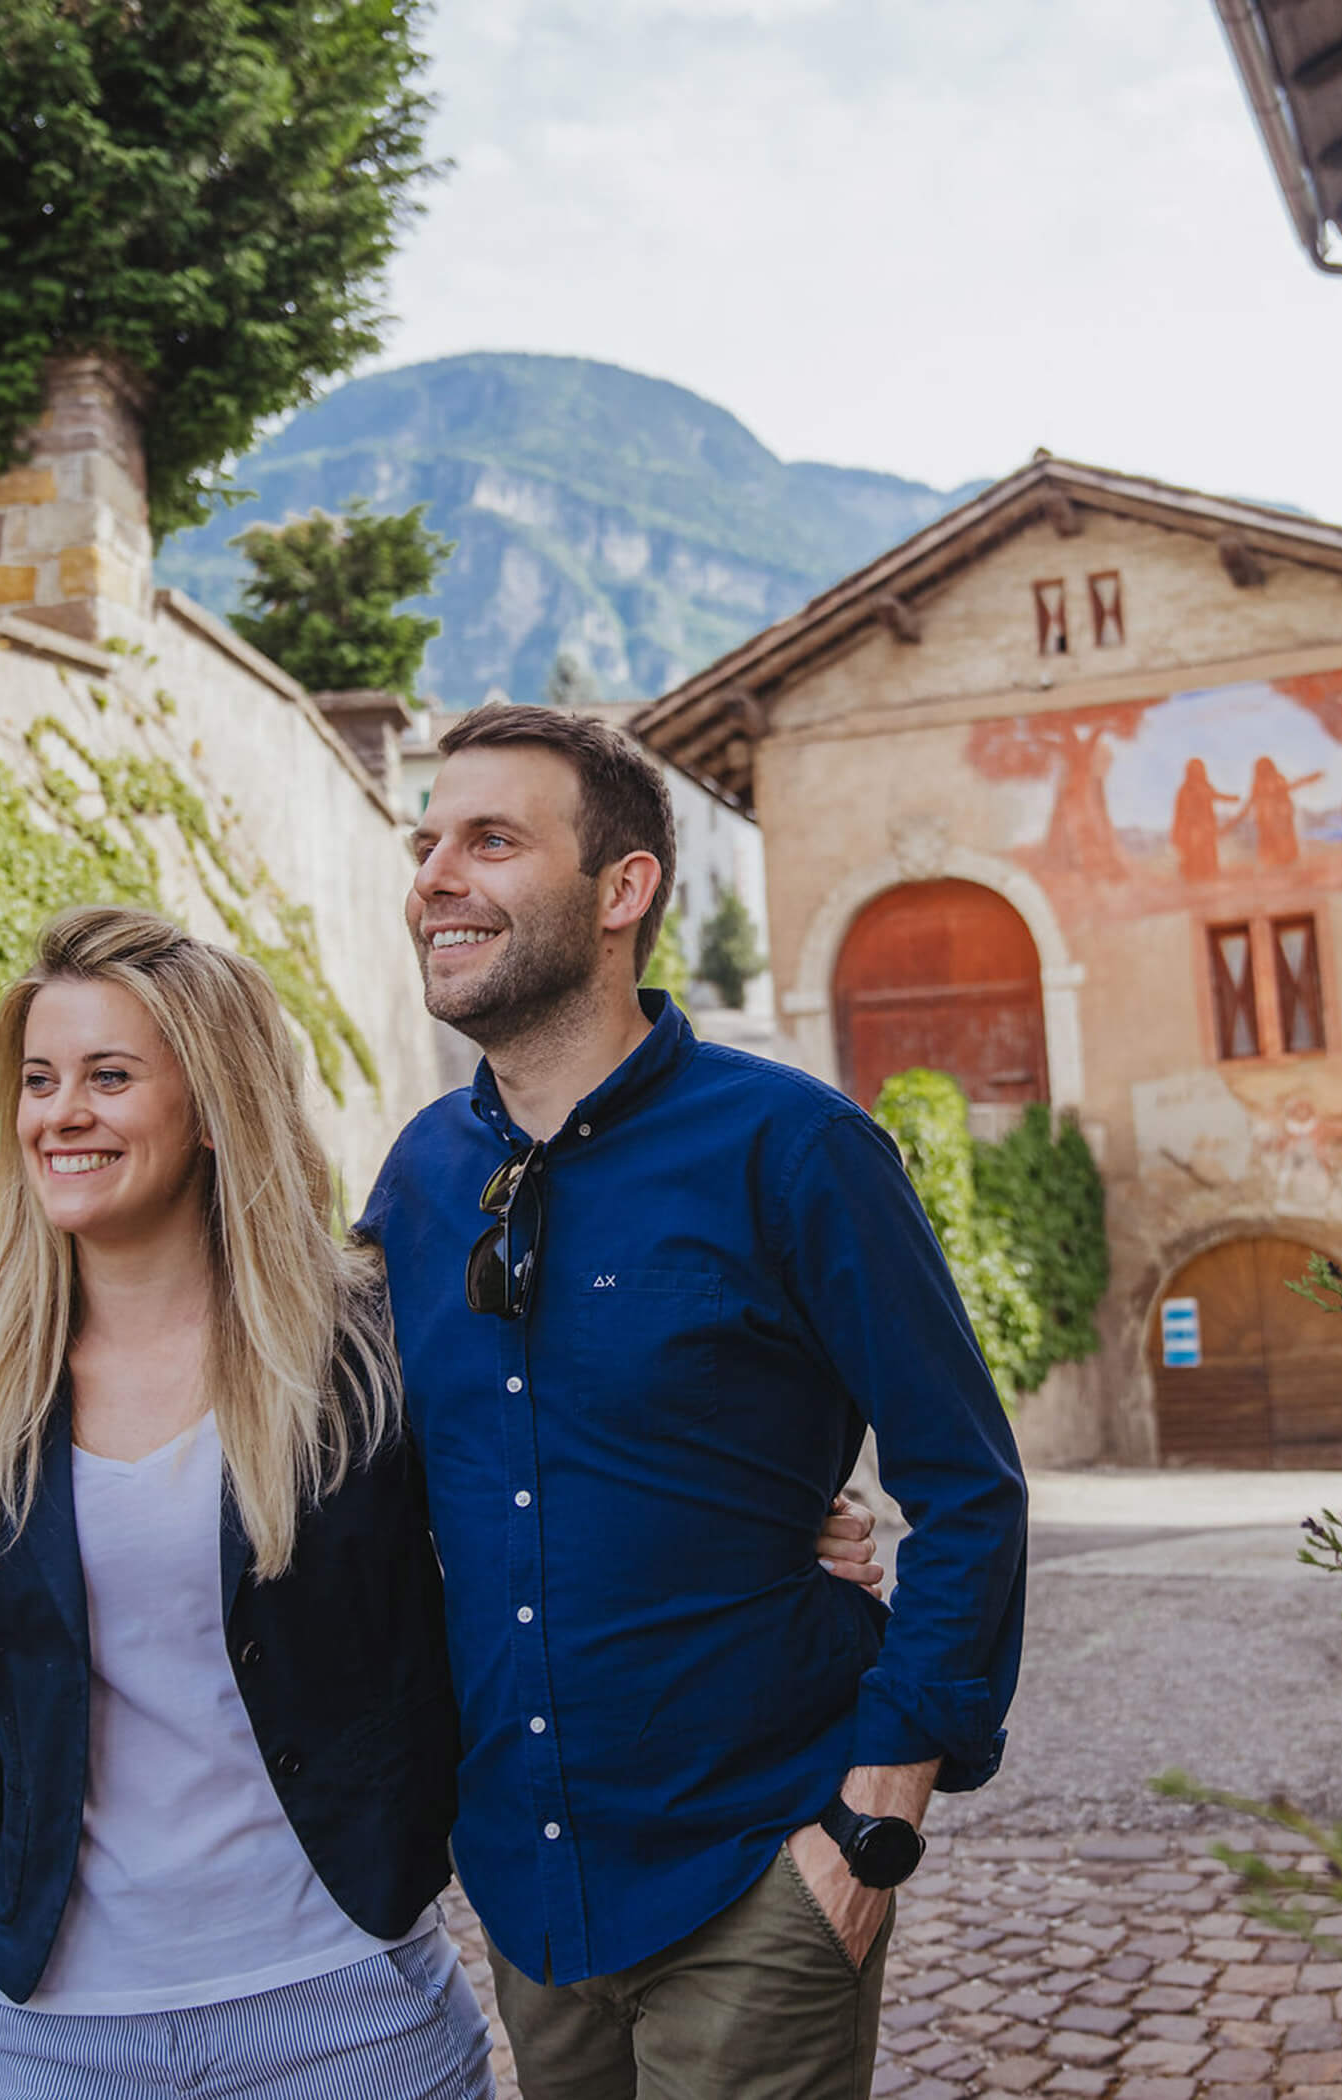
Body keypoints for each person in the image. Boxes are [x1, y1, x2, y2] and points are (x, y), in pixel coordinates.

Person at [0, 903, 880, 2095]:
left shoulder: (356, 1354)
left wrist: (747, 1529)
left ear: (210, 1107)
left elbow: (538, 1479)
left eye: (108, 1075)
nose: (62, 1114)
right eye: (40, 1080)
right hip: (53, 2034)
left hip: (342, 2012)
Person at [358, 705, 1029, 2100]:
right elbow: (391, 1496)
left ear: (623, 888)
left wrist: (875, 1827)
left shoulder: (796, 1150)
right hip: (533, 1894)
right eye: (428, 843)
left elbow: (967, 1485)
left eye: (490, 840)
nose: (434, 875)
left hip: (756, 1870)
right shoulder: (418, 1181)